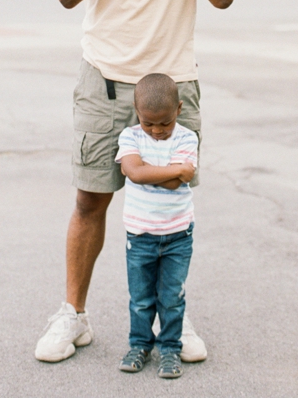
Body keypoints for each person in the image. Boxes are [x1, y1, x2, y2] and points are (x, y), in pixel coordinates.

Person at [34, 0, 238, 364]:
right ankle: (73, 315)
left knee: (172, 205)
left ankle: (172, 316)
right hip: (104, 80)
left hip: (174, 90)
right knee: (89, 201)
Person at [115, 73, 198, 379]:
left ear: (178, 109)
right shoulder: (130, 137)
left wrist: (156, 171)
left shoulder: (187, 137)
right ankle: (139, 345)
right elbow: (135, 174)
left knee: (171, 297)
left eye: (165, 123)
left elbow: (176, 184)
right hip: (140, 235)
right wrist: (176, 169)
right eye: (149, 123)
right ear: (137, 111)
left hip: (178, 235)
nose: (157, 131)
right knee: (140, 298)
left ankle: (170, 349)